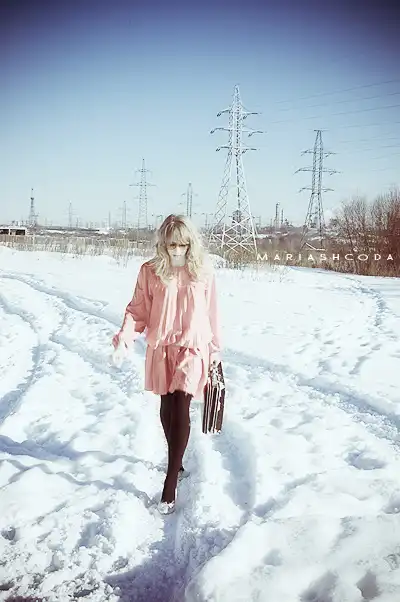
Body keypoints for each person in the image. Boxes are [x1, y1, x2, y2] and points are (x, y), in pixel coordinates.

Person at [112, 214, 221, 514]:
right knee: (167, 406)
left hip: (193, 347)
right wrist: (124, 338)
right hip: (161, 348)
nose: (177, 250)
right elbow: (137, 311)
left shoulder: (203, 271)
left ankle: (169, 485)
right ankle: (178, 462)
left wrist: (215, 350)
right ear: (163, 244)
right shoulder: (150, 271)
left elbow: (213, 313)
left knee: (182, 403)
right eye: (172, 244)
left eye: (183, 244)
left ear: (191, 244)